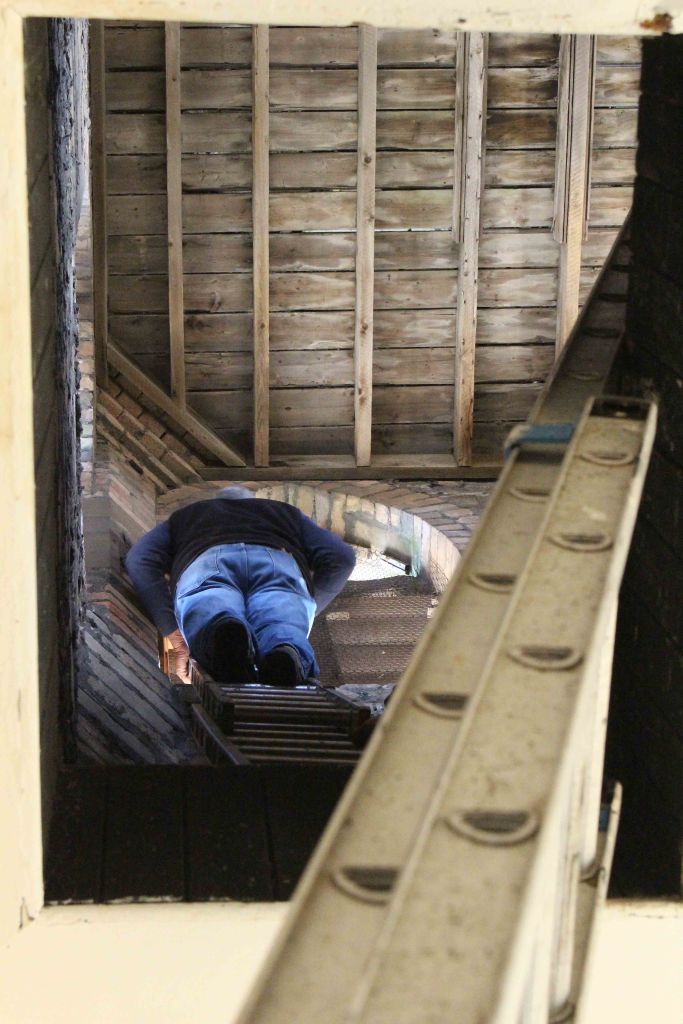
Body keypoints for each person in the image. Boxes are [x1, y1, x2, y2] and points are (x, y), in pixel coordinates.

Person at [125, 486, 356, 687]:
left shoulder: (186, 516)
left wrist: (173, 634)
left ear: (217, 501)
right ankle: (285, 654)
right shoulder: (285, 513)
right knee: (281, 625)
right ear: (252, 501)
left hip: (206, 561)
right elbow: (342, 557)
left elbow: (139, 559)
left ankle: (224, 632)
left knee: (212, 607)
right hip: (277, 563)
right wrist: (309, 606)